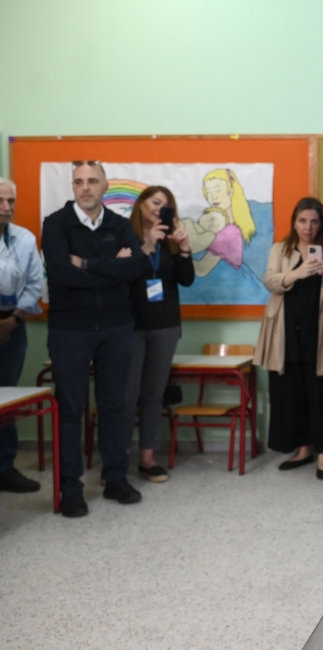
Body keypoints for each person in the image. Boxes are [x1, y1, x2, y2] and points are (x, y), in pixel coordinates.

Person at [41, 161, 149, 517]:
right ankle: (70, 488)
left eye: (92, 181)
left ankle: (115, 478)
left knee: (114, 406)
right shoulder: (56, 224)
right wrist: (111, 268)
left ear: (105, 186)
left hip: (117, 328)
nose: (85, 188)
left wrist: (86, 264)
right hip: (70, 330)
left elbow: (137, 269)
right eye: (78, 182)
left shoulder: (119, 225)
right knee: (70, 409)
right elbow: (59, 275)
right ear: (72, 187)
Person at [254, 197, 323, 479]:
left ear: (320, 224)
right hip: (285, 334)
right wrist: (297, 272)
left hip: (320, 335)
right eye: (303, 220)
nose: (308, 227)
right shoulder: (281, 249)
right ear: (294, 222)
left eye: (314, 221)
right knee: (292, 395)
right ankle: (303, 449)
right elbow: (270, 281)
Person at [123, 186, 195, 483]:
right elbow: (121, 276)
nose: (160, 208)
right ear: (140, 206)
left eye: (166, 205)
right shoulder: (123, 236)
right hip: (130, 326)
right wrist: (146, 246)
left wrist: (185, 248)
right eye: (155, 202)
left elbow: (187, 280)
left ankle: (148, 457)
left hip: (165, 325)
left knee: (154, 394)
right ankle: (117, 460)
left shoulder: (170, 240)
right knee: (127, 395)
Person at [0, 177, 44, 493]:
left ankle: (4, 467)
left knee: (7, 397)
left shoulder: (25, 239)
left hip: (13, 325)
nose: (6, 208)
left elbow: (35, 285)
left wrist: (12, 320)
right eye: (0, 201)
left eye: (11, 201)